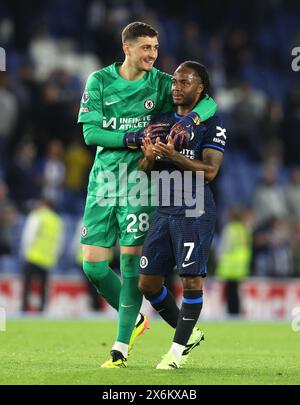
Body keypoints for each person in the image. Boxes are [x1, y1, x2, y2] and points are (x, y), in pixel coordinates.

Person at [77, 22, 218, 368]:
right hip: (103, 181)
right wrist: (130, 137)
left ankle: (120, 347)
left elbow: (210, 100)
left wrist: (192, 119)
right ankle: (139, 319)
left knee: (128, 263)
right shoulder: (98, 81)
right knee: (93, 266)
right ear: (127, 48)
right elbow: (91, 133)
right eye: (146, 48)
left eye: (155, 48)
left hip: (141, 182)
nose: (153, 55)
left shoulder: (160, 81)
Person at [138, 61, 226, 369]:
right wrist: (148, 159)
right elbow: (145, 170)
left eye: (184, 83)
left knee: (190, 282)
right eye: (174, 82)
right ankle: (187, 334)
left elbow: (211, 171)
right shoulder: (162, 122)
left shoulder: (212, 124)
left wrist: (175, 156)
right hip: (164, 209)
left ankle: (175, 353)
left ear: (199, 88)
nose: (176, 87)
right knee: (147, 284)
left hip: (194, 209)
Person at [20, 198, 64, 312]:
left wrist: (24, 252)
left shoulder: (37, 216)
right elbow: (60, 243)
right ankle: (42, 310)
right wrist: (54, 256)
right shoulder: (57, 220)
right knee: (43, 287)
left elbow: (29, 235)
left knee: (27, 285)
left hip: (33, 256)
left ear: (43, 204)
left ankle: (24, 308)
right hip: (47, 259)